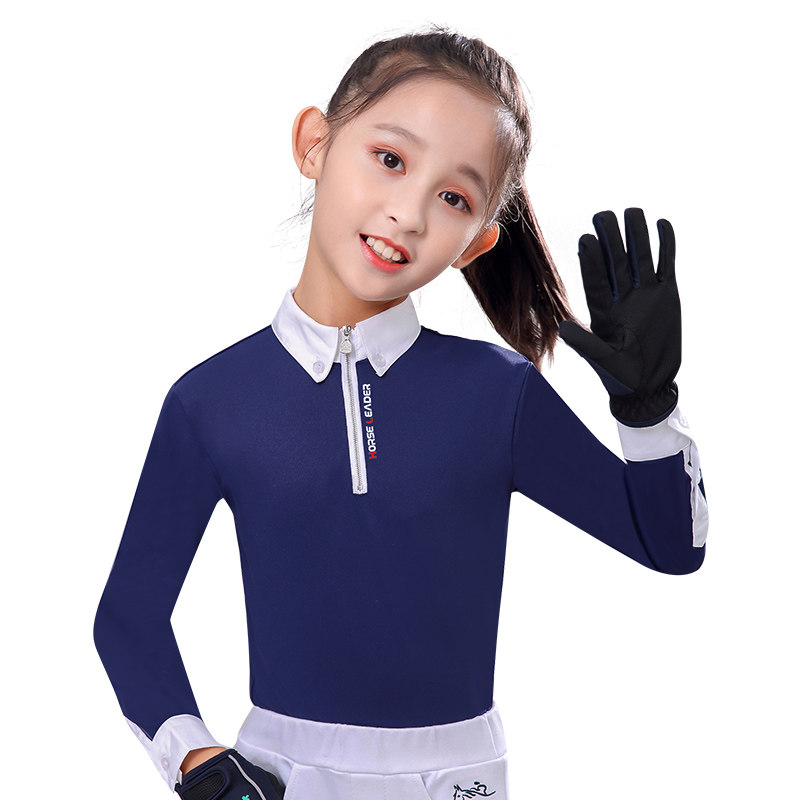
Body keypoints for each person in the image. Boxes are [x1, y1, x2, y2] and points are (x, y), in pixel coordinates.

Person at [93, 24, 709, 800]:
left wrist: (648, 412)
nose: (409, 214)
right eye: (390, 159)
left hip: (457, 779)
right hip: (277, 777)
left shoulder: (498, 394)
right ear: (315, 144)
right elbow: (128, 616)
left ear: (476, 243)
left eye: (453, 198)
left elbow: (669, 547)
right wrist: (194, 758)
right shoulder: (211, 400)